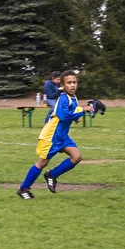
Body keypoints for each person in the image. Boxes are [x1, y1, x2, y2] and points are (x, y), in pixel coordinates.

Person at [17, 70, 93, 200]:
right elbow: (63, 115)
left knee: (77, 156)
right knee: (41, 163)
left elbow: (69, 112)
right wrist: (81, 110)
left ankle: (52, 175)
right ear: (63, 86)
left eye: (74, 82)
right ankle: (23, 188)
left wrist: (75, 117)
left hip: (62, 136)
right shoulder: (63, 98)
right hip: (51, 136)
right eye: (69, 83)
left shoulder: (73, 98)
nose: (73, 85)